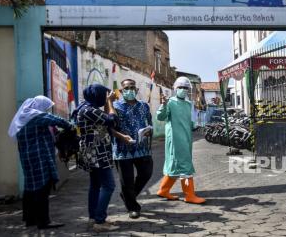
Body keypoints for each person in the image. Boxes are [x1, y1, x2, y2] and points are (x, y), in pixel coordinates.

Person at [75, 84, 132, 232]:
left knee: (95, 185)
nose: (105, 97)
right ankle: (99, 221)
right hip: (97, 153)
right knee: (109, 185)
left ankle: (93, 218)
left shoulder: (86, 108)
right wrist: (110, 102)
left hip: (93, 152)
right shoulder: (89, 110)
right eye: (104, 94)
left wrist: (107, 104)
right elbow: (111, 120)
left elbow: (105, 122)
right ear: (98, 95)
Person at [8, 95, 71, 229]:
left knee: (30, 188)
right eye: (46, 108)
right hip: (40, 157)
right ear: (39, 107)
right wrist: (69, 126)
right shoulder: (35, 116)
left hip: (27, 159)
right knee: (42, 189)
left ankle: (30, 219)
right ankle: (44, 221)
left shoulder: (22, 118)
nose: (46, 111)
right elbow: (57, 120)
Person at [156, 76, 206, 204]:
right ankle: (189, 195)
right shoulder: (170, 102)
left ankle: (163, 190)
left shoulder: (188, 104)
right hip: (175, 140)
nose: (183, 90)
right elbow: (161, 117)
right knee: (185, 166)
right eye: (180, 87)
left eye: (185, 88)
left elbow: (188, 122)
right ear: (175, 88)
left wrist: (195, 126)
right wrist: (163, 104)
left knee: (175, 166)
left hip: (186, 139)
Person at [112, 79, 154, 219]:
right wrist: (122, 137)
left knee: (146, 173)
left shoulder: (144, 106)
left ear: (136, 90)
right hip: (122, 149)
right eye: (126, 88)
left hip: (142, 148)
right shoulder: (115, 106)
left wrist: (149, 131)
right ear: (121, 90)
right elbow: (109, 127)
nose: (129, 90)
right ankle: (133, 207)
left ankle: (128, 196)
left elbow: (149, 121)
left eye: (132, 87)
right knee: (127, 180)